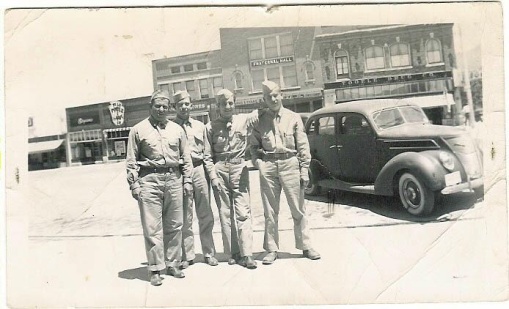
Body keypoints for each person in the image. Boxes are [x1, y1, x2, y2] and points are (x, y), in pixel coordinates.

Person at [126, 89, 193, 286]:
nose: (161, 109)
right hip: (149, 180)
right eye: (158, 106)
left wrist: (187, 180)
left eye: (165, 106)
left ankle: (172, 264)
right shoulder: (138, 130)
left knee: (175, 224)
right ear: (151, 107)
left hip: (174, 178)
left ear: (170, 108)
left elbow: (186, 158)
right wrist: (134, 186)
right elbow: (131, 161)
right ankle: (155, 269)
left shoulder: (177, 130)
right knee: (152, 227)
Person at [250, 80, 321, 265]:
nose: (273, 99)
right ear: (264, 99)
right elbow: (253, 146)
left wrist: (304, 170)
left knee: (298, 208)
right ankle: (272, 249)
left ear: (281, 95)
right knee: (270, 211)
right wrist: (259, 163)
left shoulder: (294, 117)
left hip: (290, 163)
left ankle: (306, 246)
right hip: (269, 165)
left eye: (275, 95)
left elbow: (303, 146)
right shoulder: (259, 120)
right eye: (268, 96)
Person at [205, 89, 261, 269]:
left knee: (243, 211)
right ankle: (232, 253)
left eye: (230, 103)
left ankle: (247, 254)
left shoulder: (243, 120)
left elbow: (264, 110)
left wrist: (255, 112)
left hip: (239, 168)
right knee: (225, 212)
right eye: (223, 104)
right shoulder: (210, 127)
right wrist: (213, 176)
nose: (227, 106)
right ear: (218, 106)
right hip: (220, 168)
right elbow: (207, 156)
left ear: (235, 103)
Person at [172, 90, 218, 269]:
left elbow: (207, 153)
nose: (184, 107)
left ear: (191, 105)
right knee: (185, 215)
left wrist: (210, 174)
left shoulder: (201, 126)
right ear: (174, 107)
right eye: (180, 104)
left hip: (199, 170)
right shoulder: (171, 127)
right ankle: (188, 255)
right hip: (181, 172)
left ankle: (209, 253)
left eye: (186, 104)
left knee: (205, 212)